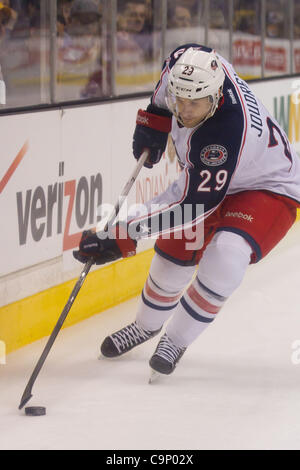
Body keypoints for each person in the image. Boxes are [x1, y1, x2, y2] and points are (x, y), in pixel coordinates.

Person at [73, 43, 300, 378]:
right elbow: (170, 81)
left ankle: (176, 339)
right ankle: (145, 326)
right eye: (180, 101)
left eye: (195, 104)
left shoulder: (222, 133)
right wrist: (154, 120)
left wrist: (120, 234)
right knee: (171, 257)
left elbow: (192, 206)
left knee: (226, 255)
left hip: (267, 186)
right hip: (211, 183)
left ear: (215, 95)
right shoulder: (187, 66)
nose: (186, 110)